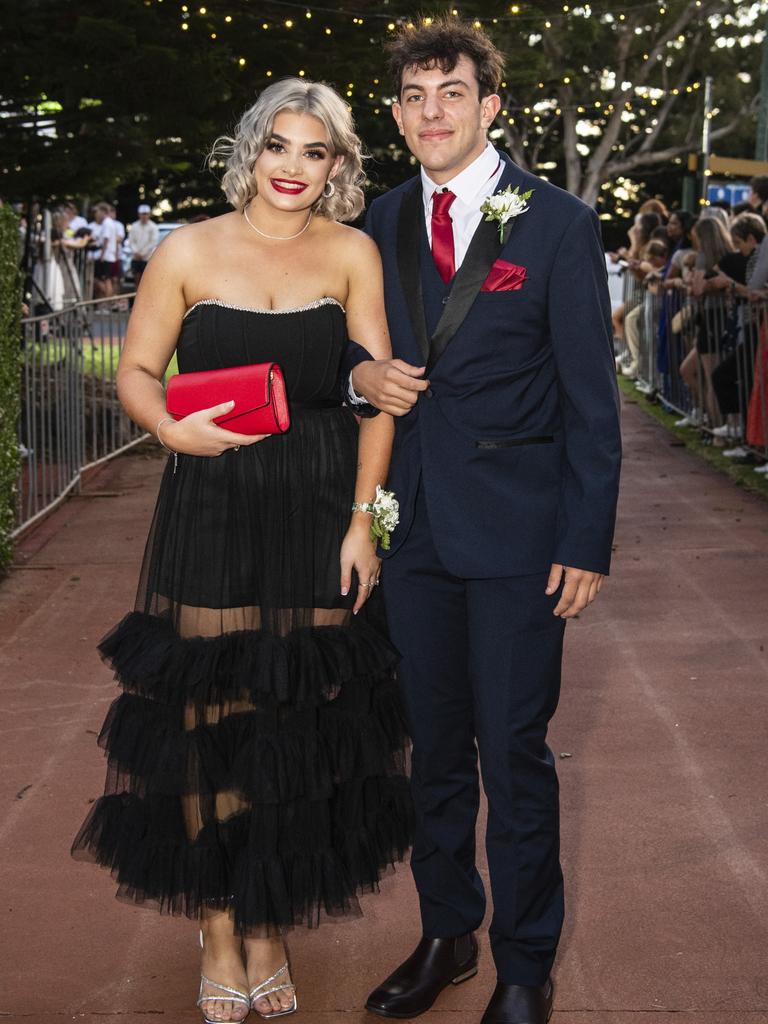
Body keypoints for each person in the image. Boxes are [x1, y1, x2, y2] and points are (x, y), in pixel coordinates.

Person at [71, 79, 413, 1023]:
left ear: (338, 165)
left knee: (291, 718)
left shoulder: (352, 253)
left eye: (317, 152)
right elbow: (139, 371)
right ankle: (219, 925)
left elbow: (378, 396)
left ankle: (269, 921)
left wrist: (364, 524)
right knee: (210, 719)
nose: (294, 169)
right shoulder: (186, 248)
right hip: (212, 502)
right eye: (280, 147)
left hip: (316, 507)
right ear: (250, 150)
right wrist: (169, 432)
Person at [343, 17, 621, 1024]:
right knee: (431, 746)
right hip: (410, 534)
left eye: (451, 93)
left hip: (520, 539)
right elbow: (341, 352)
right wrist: (355, 373)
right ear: (398, 114)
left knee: (514, 751)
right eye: (414, 98)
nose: (432, 113)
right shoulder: (375, 222)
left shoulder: (554, 223)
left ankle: (525, 959)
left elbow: (592, 398)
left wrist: (586, 538)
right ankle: (447, 933)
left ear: (490, 104)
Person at [128, 203, 160, 285]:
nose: (144, 216)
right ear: (139, 214)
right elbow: (131, 241)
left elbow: (153, 242)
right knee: (136, 281)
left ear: (149, 214)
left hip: (147, 258)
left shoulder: (153, 227)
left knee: (146, 282)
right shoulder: (134, 226)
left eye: (146, 214)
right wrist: (136, 252)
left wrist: (142, 253)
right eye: (142, 214)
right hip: (136, 258)